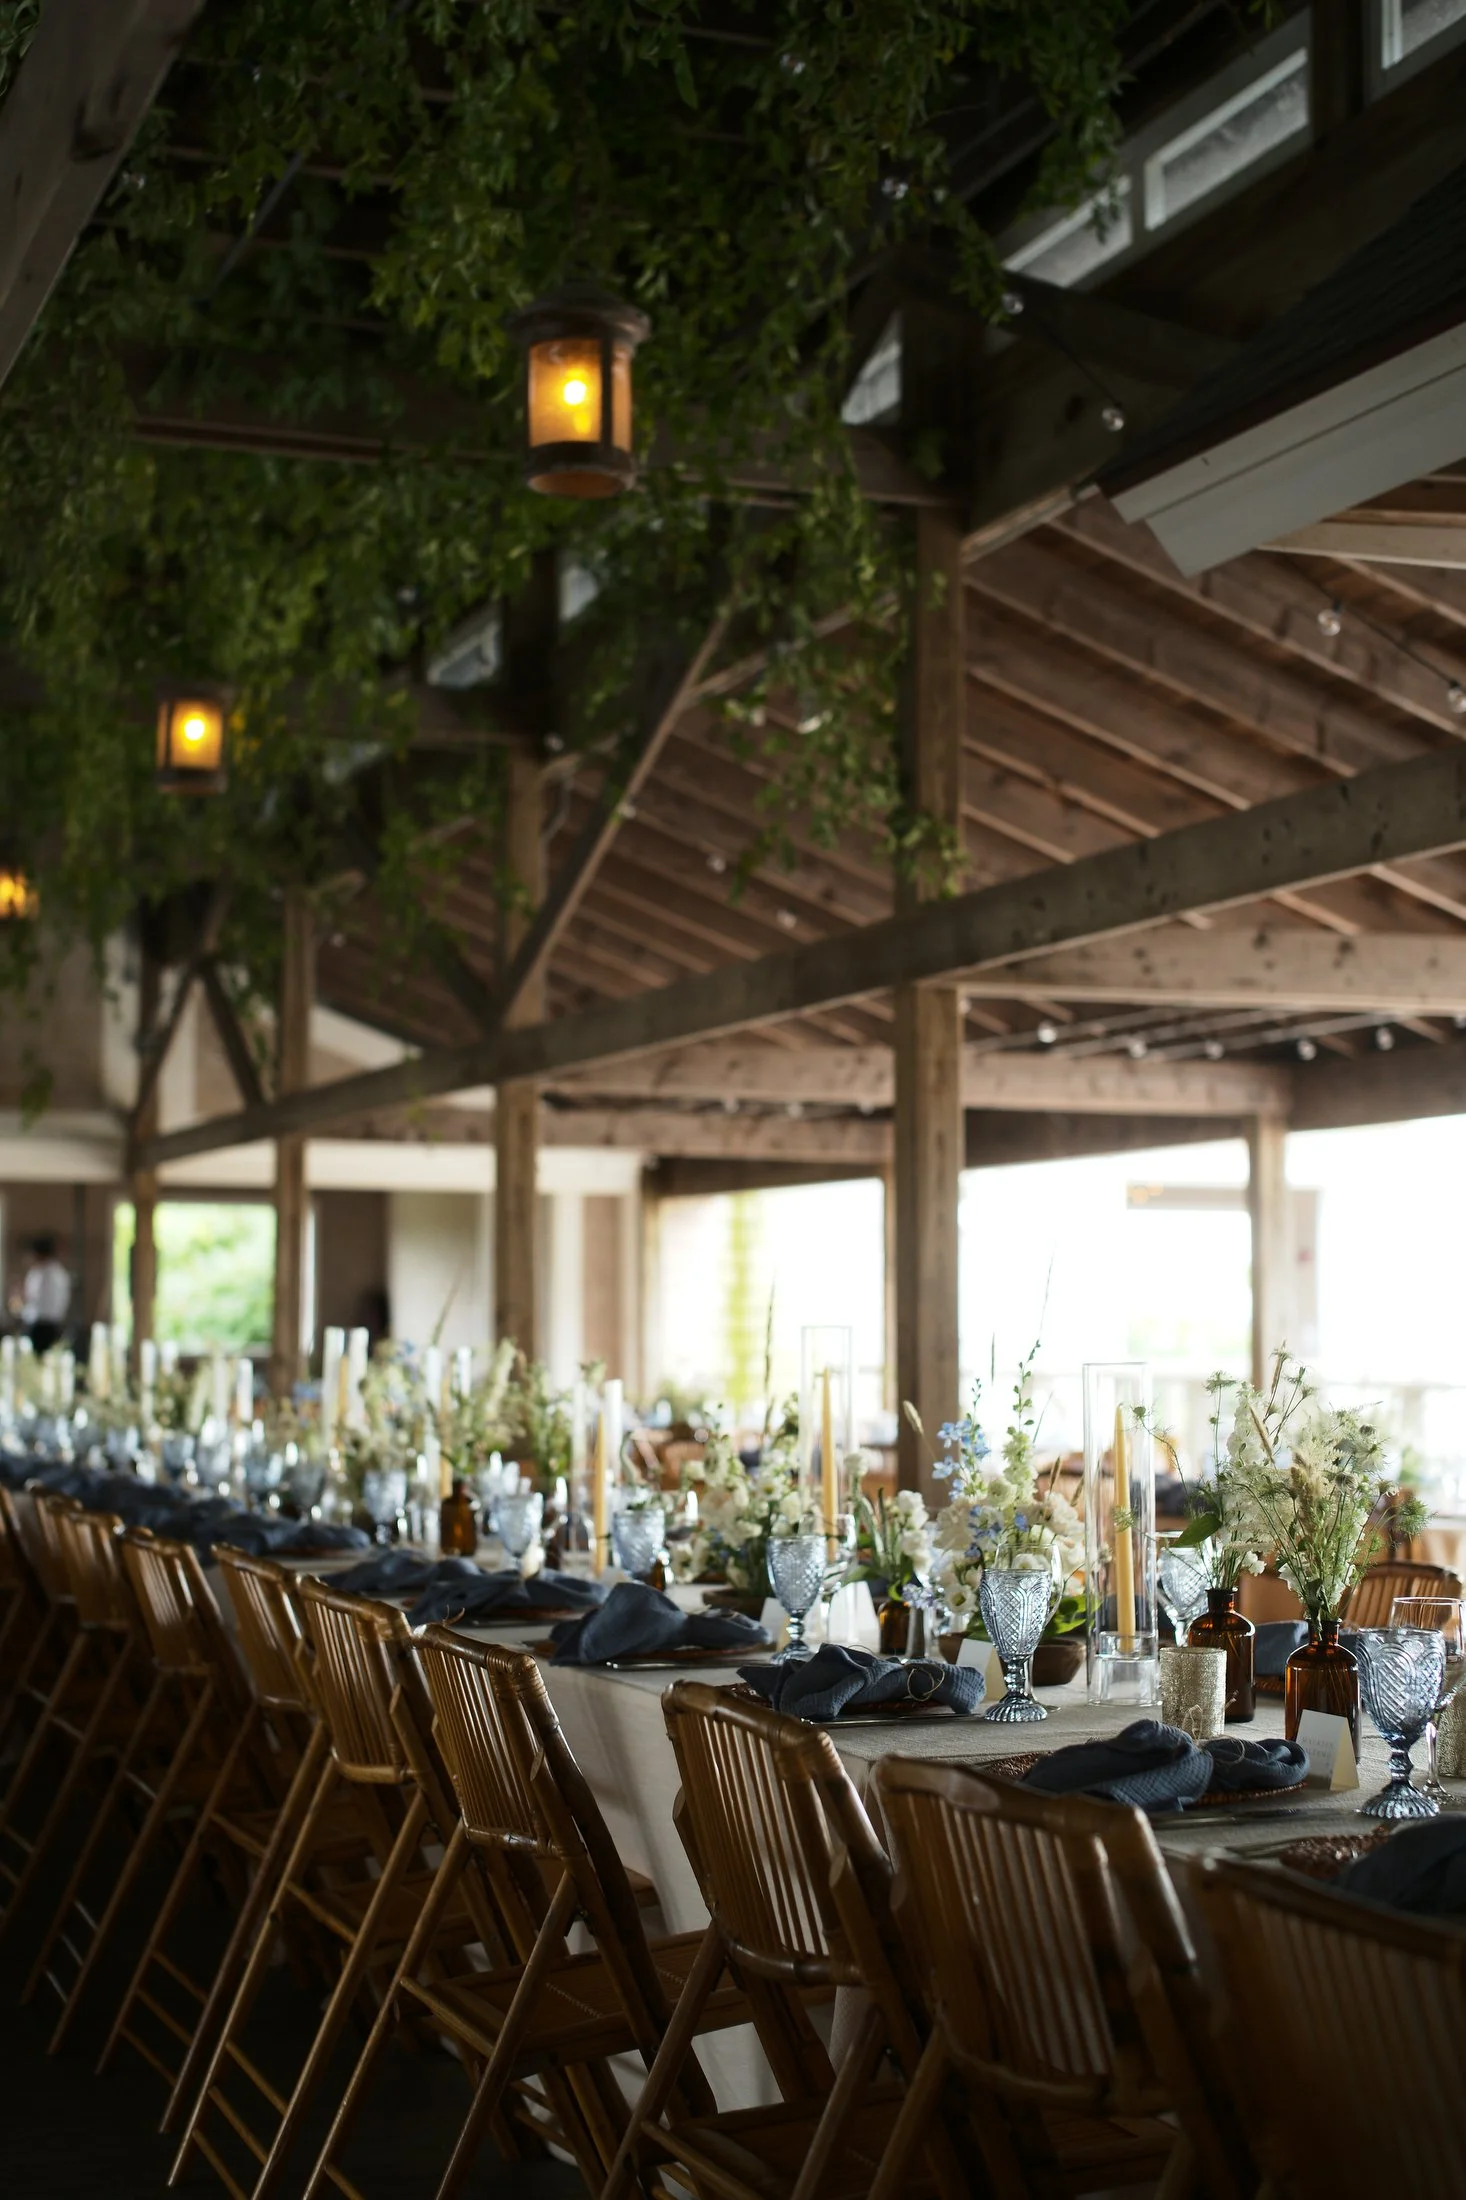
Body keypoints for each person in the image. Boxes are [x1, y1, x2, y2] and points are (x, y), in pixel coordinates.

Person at [21, 1234, 70, 1355]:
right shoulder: (60, 1272)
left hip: (41, 1326)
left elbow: (32, 1299)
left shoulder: (40, 1273)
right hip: (54, 1325)